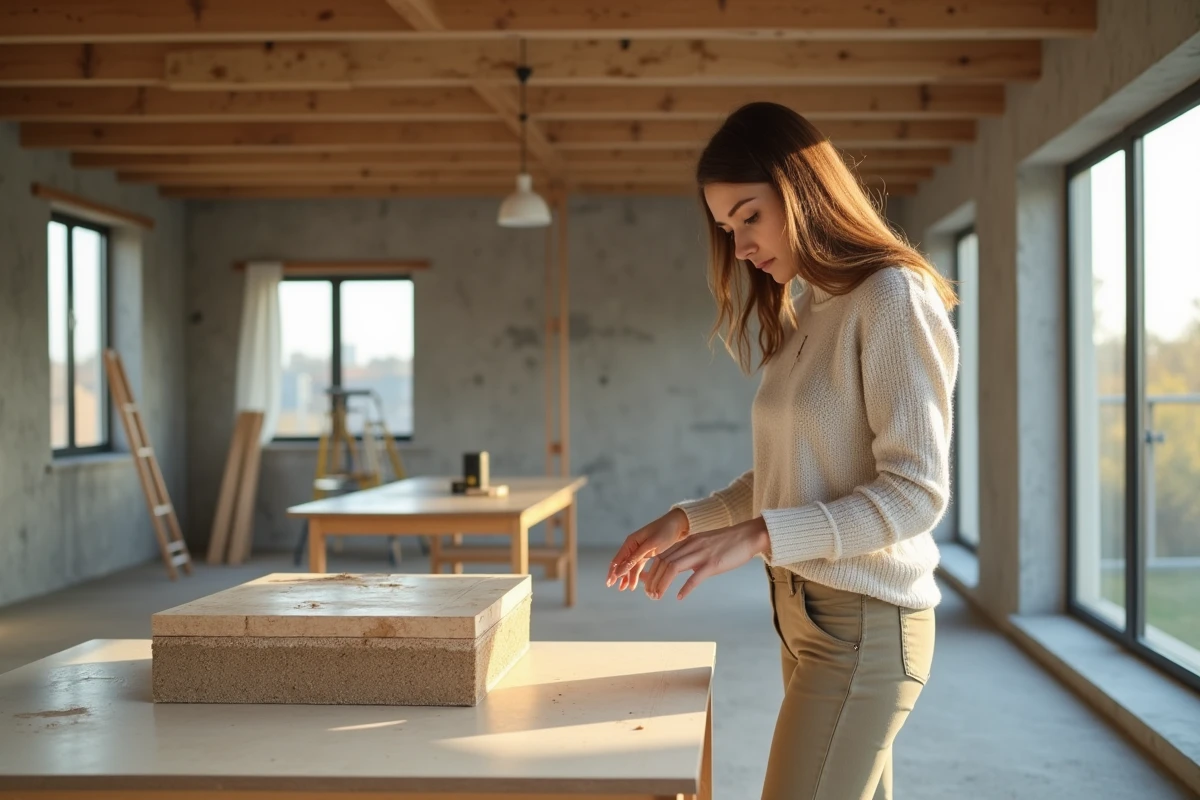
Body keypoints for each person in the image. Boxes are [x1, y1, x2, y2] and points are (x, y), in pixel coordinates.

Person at [605, 101, 960, 800]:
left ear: (803, 191)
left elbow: (917, 492)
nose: (738, 246)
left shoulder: (891, 296)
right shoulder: (806, 308)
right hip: (805, 615)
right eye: (726, 228)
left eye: (749, 216)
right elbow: (789, 471)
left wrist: (758, 535)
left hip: (866, 628)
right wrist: (687, 520)